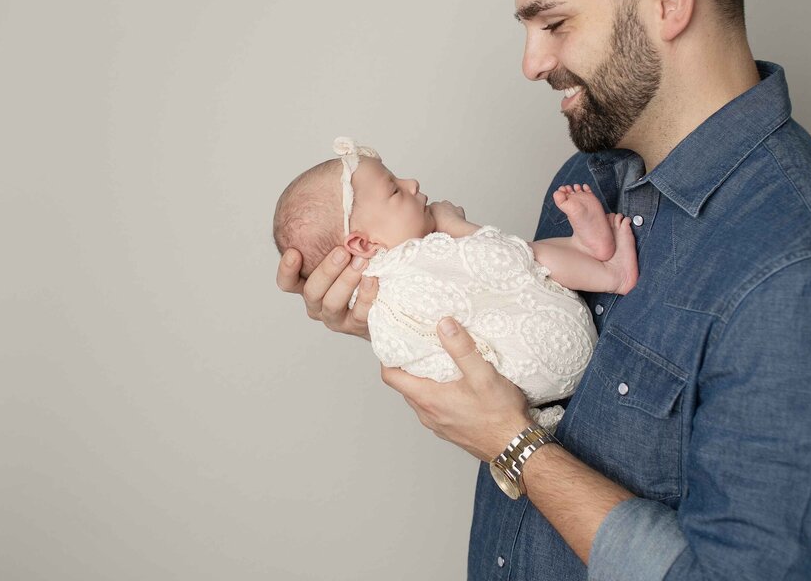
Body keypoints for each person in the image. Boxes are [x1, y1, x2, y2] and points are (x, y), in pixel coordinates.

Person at [275, 0, 811, 580]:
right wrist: (400, 312)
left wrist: (515, 447)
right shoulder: (583, 179)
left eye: (553, 24)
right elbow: (517, 349)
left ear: (668, 1)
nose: (531, 62)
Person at [271, 136, 638, 430]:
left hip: (530, 393)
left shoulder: (383, 299)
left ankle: (586, 246)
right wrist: (457, 228)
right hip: (542, 352)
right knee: (528, 257)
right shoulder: (416, 265)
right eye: (395, 190)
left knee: (527, 260)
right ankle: (609, 272)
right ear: (364, 244)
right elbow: (506, 260)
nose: (412, 183)